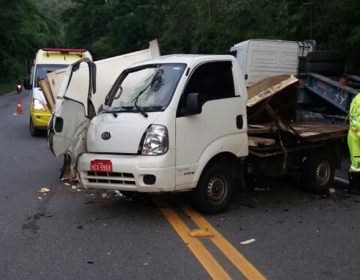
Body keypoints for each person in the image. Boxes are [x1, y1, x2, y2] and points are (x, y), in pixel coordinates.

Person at [348, 93, 360, 194]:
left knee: (356, 163)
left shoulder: (357, 98)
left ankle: (353, 186)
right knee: (357, 164)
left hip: (354, 134)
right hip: (357, 135)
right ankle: (354, 188)